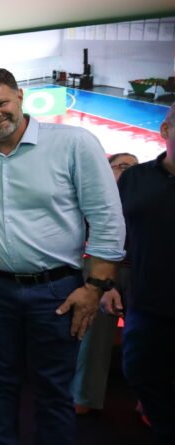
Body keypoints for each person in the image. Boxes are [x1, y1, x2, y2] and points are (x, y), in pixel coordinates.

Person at [0, 68, 125, 445]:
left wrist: (95, 287)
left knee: (53, 389)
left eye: (1, 103)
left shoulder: (73, 143)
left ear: (19, 96)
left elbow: (106, 217)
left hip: (57, 291)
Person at [103, 105, 175, 443]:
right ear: (165, 131)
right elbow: (115, 234)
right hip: (146, 304)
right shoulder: (135, 178)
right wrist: (107, 282)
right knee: (139, 372)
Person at [71, 153, 138, 415]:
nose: (129, 171)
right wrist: (102, 283)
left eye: (134, 167)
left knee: (150, 338)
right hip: (98, 269)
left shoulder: (148, 198)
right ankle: (83, 396)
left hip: (140, 271)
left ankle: (149, 399)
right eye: (122, 166)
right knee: (93, 335)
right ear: (107, 170)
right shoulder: (91, 198)